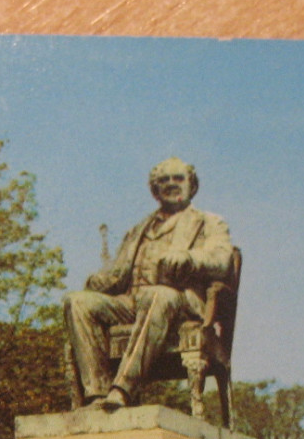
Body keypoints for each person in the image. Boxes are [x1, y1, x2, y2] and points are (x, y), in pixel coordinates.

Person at [63, 158, 234, 409]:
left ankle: (122, 389)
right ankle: (97, 394)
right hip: (132, 302)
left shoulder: (209, 222)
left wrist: (190, 258)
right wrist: (97, 281)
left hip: (179, 302)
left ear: (192, 186)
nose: (171, 184)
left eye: (178, 179)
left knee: (159, 295)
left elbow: (223, 260)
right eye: (163, 180)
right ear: (154, 190)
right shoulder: (138, 229)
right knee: (77, 302)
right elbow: (116, 275)